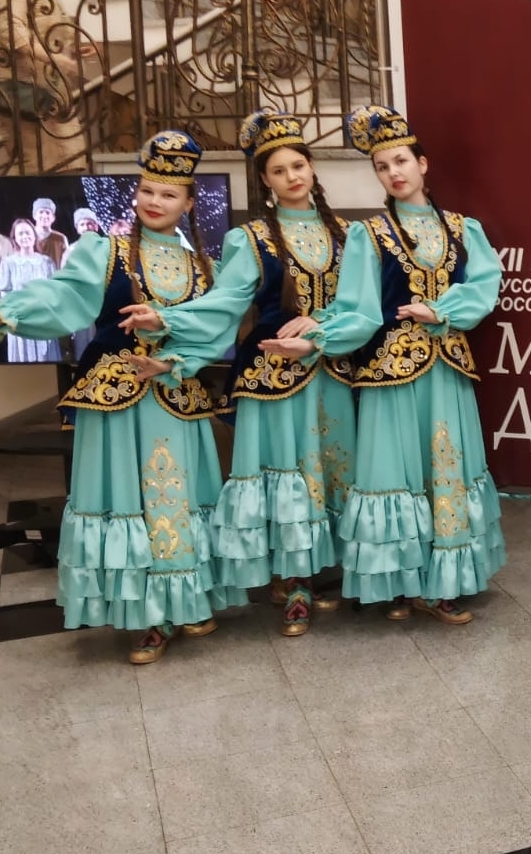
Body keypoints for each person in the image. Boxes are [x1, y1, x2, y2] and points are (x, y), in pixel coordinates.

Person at [0, 132, 237, 663]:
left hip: (174, 392)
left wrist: (173, 361)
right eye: (147, 190)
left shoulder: (204, 267)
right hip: (117, 398)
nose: (154, 201)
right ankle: (145, 617)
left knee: (177, 498)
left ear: (189, 203)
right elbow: (63, 295)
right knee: (127, 501)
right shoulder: (106, 251)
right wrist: (2, 314)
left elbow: (215, 330)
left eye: (168, 194)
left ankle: (186, 599)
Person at [125, 112, 379, 636]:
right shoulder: (251, 237)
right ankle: (292, 582)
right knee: (285, 473)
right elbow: (223, 305)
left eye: (298, 166)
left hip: (331, 370)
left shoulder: (349, 234)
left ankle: (317, 571)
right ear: (264, 179)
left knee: (327, 472)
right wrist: (168, 320)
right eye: (278, 170)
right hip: (271, 374)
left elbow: (363, 307)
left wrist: (322, 327)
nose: (291, 176)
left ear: (311, 168)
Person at [335, 105, 505, 623]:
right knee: (395, 474)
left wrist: (442, 312)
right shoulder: (368, 234)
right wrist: (319, 334)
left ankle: (442, 583)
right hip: (390, 372)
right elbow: (358, 308)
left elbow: (485, 286)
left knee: (445, 468)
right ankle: (402, 581)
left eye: (402, 161)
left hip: (446, 368)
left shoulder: (461, 228)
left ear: (423, 164)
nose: (394, 172)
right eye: (382, 166)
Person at [0, 217, 60, 362]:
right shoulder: (8, 263)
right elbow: (5, 295)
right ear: (15, 238)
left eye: (28, 233)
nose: (25, 236)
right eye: (21, 233)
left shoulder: (46, 262)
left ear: (34, 235)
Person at [32, 196, 68, 268]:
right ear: (34, 215)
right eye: (41, 212)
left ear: (53, 218)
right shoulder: (28, 237)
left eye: (48, 213)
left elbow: (67, 263)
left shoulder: (60, 238)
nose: (44, 215)